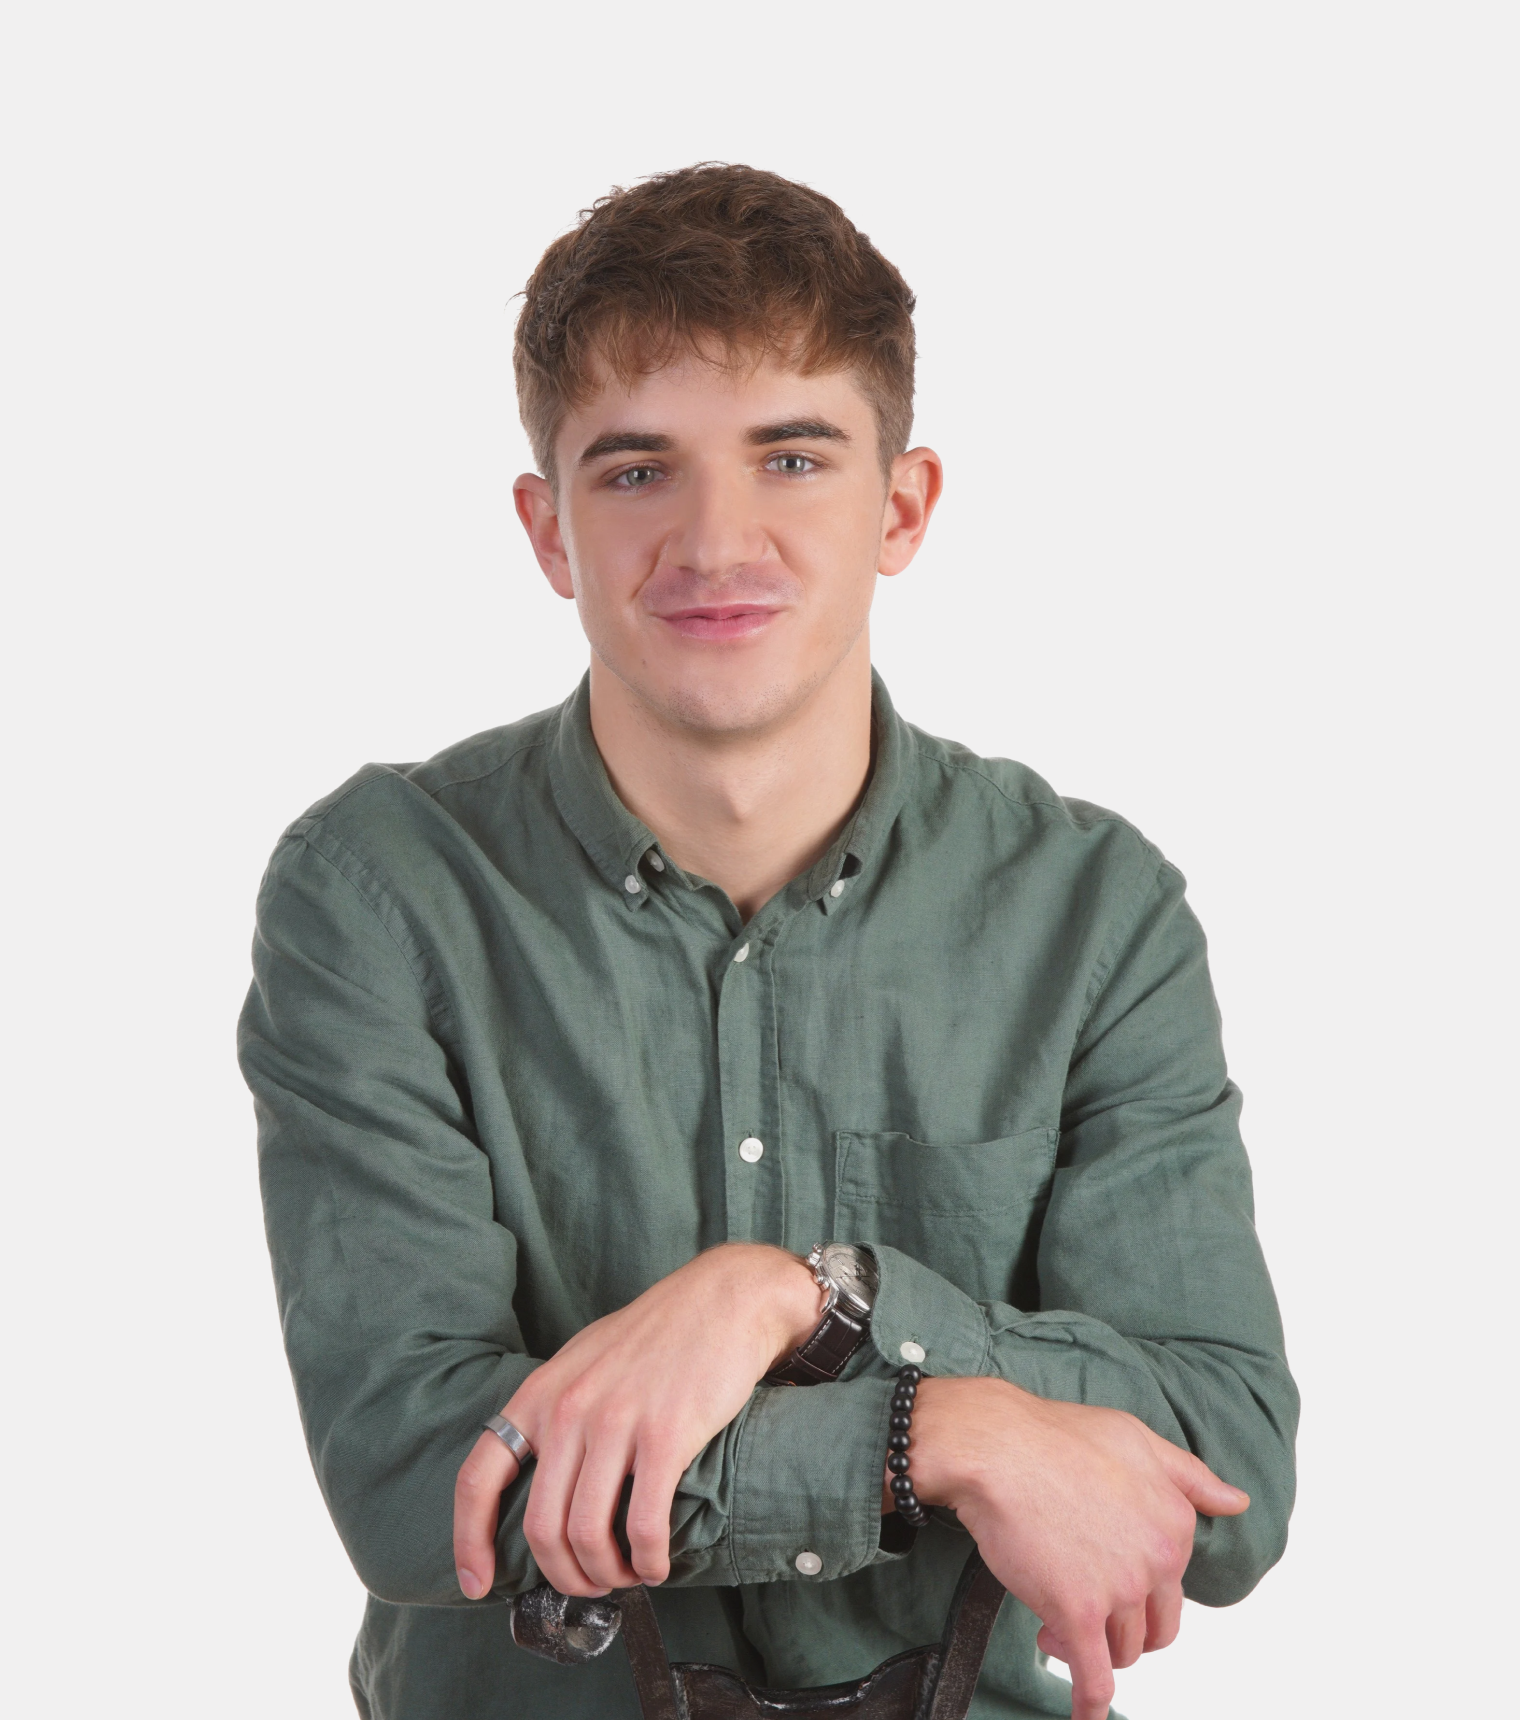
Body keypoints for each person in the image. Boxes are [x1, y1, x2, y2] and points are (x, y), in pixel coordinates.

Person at [239, 163, 1297, 1720]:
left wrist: (802, 1296)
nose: (716, 539)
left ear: (904, 505)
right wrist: (942, 1432)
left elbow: (1227, 1476)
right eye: (636, 470)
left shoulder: (1097, 909)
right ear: (548, 529)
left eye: (792, 456)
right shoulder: (377, 891)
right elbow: (420, 1483)